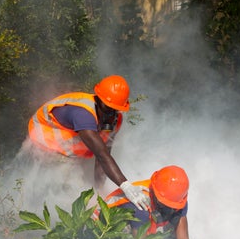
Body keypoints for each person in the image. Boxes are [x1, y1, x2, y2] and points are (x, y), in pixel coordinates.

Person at [25, 75, 149, 210]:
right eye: (108, 108)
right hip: (45, 139)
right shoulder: (82, 114)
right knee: (60, 185)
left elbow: (103, 157)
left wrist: (100, 191)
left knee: (78, 180)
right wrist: (126, 186)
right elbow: (102, 155)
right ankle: (33, 209)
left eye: (116, 109)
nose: (112, 114)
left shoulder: (115, 120)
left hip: (69, 146)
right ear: (98, 100)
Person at [99, 165, 193, 239]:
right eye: (165, 205)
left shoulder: (176, 199)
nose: (170, 209)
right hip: (102, 228)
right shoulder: (140, 204)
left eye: (172, 206)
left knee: (174, 221)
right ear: (155, 194)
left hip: (143, 221)